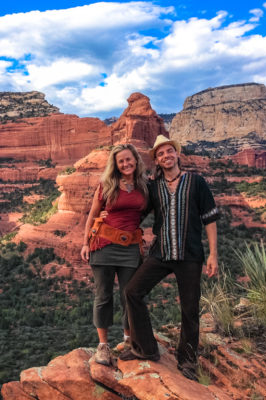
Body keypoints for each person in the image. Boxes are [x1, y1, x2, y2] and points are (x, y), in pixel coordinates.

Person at [118, 135, 219, 381]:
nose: (166, 156)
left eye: (169, 151)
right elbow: (136, 213)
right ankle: (146, 348)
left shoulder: (196, 182)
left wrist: (213, 254)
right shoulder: (153, 187)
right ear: (156, 160)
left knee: (190, 309)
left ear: (176, 154)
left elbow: (210, 218)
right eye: (160, 154)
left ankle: (187, 361)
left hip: (190, 255)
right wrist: (108, 224)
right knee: (132, 292)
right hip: (161, 253)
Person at [81, 143, 148, 366]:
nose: (126, 164)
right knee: (103, 296)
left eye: (129, 159)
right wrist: (85, 243)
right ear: (116, 165)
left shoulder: (144, 186)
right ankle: (103, 345)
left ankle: (128, 340)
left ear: (136, 160)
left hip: (130, 247)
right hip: (103, 245)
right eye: (121, 161)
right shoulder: (106, 185)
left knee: (129, 295)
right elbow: (92, 215)